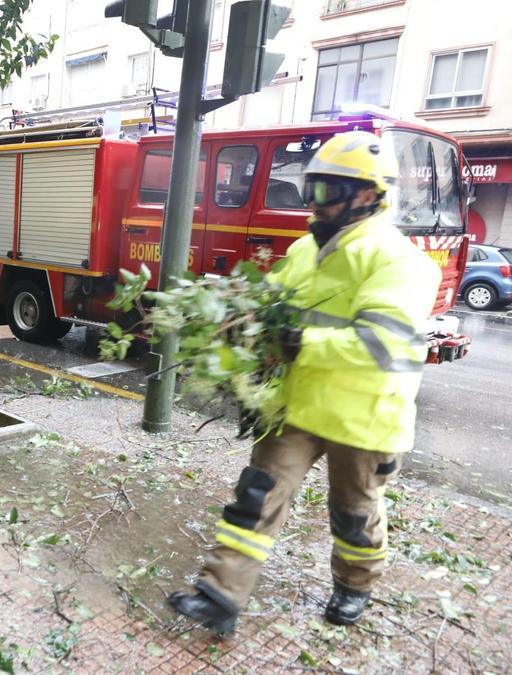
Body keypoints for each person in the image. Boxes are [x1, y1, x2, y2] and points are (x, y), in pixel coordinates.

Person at [167, 131, 442, 634]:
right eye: (309, 189)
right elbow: (268, 312)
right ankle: (220, 596)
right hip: (296, 404)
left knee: (354, 515)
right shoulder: (301, 252)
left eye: (325, 191)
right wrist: (231, 322)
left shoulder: (398, 261)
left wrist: (297, 342)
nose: (312, 204)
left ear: (368, 195)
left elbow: (380, 345)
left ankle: (354, 586)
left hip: (364, 415)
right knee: (257, 497)